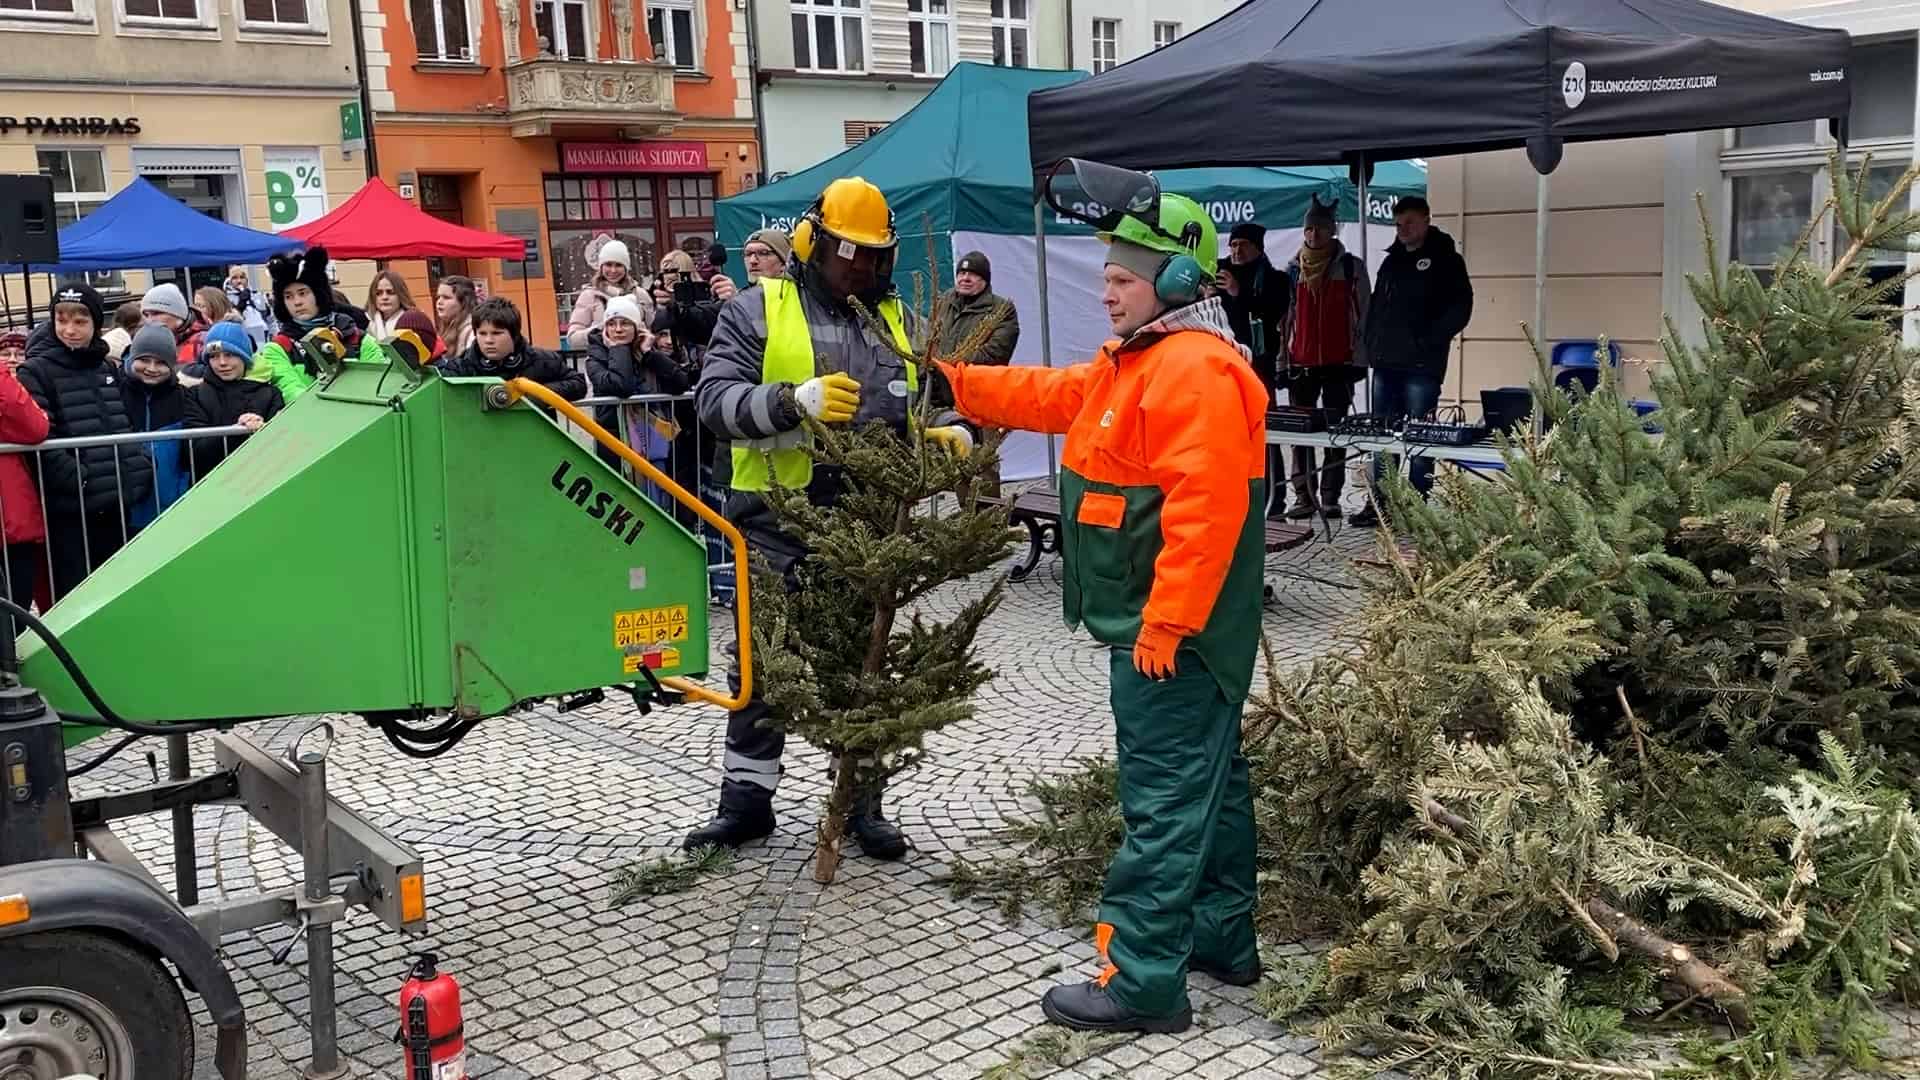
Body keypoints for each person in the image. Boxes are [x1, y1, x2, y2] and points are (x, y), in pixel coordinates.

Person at [935, 187, 1266, 1035]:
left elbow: (1208, 507)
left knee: (1162, 798)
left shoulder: (1193, 369)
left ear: (1176, 277)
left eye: (1122, 278)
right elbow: (1052, 394)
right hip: (1173, 632)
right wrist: (957, 384)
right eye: (1108, 276)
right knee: (1214, 787)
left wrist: (1167, 622)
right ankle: (1222, 941)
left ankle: (1144, 983)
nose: (1106, 291)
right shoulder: (1140, 360)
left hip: (1173, 638)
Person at [684, 176, 971, 857]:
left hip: (865, 526)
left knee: (863, 667)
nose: (865, 268)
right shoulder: (758, 310)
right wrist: (792, 400)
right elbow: (714, 401)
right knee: (763, 668)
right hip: (774, 520)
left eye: (876, 256)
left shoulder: (894, 318)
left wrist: (944, 430)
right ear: (814, 244)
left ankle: (860, 804)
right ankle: (747, 804)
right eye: (851, 255)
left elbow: (917, 400)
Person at [19, 282, 153, 600]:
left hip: (119, 502)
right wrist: (79, 479)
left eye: (80, 321)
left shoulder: (105, 367)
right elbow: (41, 438)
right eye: (61, 319)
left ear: (95, 323)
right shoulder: (36, 370)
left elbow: (125, 423)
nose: (70, 329)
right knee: (78, 597)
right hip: (72, 512)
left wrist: (139, 466)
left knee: (121, 594)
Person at [1354, 195, 1474, 528]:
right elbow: (1377, 306)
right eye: (1398, 224)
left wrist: (1428, 341)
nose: (1402, 229)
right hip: (1386, 364)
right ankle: (1380, 503)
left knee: (1421, 438)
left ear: (1426, 220)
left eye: (1409, 222)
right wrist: (1371, 343)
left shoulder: (1446, 259)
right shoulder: (1391, 260)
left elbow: (1460, 308)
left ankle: (1416, 506)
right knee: (1382, 438)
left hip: (1421, 365)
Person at [1280, 196, 1369, 520]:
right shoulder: (1292, 269)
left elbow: (1363, 315)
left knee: (1336, 433)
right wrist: (1282, 361)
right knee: (1299, 435)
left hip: (1339, 362)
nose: (1314, 235)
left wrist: (1359, 358)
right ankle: (1304, 495)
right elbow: (1284, 320)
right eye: (1309, 229)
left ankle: (1330, 496)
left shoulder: (1350, 266)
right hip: (1301, 362)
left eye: (1320, 228)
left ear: (1332, 231)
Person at [1217, 221, 1291, 519]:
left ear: (1258, 248)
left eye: (1243, 245)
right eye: (1233, 245)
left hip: (1258, 366)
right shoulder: (1218, 272)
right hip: (1223, 364)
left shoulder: (1274, 279)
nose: (1236, 251)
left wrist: (1238, 294)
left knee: (1264, 433)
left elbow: (1271, 312)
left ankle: (1274, 499)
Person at [587, 295, 689, 500]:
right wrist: (618, 349)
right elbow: (621, 386)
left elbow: (681, 383)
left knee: (662, 499)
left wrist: (650, 355)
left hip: (657, 440)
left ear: (637, 326)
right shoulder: (595, 357)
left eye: (625, 323)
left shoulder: (647, 353)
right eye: (611, 324)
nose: (618, 329)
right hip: (615, 440)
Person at [256, 246, 384, 404]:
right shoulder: (279, 348)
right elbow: (291, 392)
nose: (297, 302)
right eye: (288, 296)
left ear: (318, 293)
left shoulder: (358, 338)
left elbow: (378, 385)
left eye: (303, 293)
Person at [183, 321, 284, 482]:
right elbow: (195, 451)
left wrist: (262, 429)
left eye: (229, 355)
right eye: (214, 356)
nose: (222, 362)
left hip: (262, 481)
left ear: (245, 357)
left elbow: (280, 444)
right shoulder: (195, 395)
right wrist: (237, 430)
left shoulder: (271, 394)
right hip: (211, 484)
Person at [441, 297, 588, 402]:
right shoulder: (460, 367)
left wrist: (537, 393)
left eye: (497, 333)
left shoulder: (543, 360)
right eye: (482, 333)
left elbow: (578, 384)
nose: (488, 340)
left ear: (514, 334)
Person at [120, 323, 192, 530]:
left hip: (170, 505)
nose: (151, 368)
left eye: (161, 363)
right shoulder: (115, 393)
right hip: (126, 508)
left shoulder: (183, 398)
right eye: (144, 360)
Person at [0, 347, 47, 614]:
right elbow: (35, 427)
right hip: (11, 519)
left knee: (16, 611)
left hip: (12, 519)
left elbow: (34, 428)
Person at [934, 251, 1020, 365]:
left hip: (974, 381)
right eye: (962, 273)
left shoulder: (1002, 310)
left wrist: (951, 363)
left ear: (985, 280)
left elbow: (995, 354)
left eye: (973, 274)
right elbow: (928, 341)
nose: (966, 278)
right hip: (937, 380)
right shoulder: (943, 302)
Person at [567, 239, 652, 350]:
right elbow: (572, 339)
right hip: (603, 361)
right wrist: (601, 329)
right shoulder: (589, 296)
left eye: (618, 265)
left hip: (638, 359)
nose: (613, 270)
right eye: (608, 264)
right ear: (601, 267)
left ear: (626, 268)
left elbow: (654, 329)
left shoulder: (640, 294)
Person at [142, 282, 211, 370]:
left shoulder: (204, 340)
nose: (150, 320)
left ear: (178, 314)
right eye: (146, 315)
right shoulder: (151, 341)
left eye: (156, 313)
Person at [225, 266, 274, 344]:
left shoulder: (258, 295)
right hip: (242, 339)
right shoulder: (226, 299)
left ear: (246, 280)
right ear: (230, 281)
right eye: (235, 278)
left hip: (263, 338)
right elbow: (227, 324)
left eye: (242, 277)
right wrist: (239, 307)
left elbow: (271, 319)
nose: (239, 281)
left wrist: (275, 336)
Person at [364, 270, 418, 340]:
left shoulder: (413, 320)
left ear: (401, 294)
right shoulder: (365, 322)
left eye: (390, 292)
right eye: (378, 293)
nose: (384, 297)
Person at [434, 275, 478, 360]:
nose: (439, 302)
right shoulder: (447, 326)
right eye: (438, 297)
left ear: (463, 302)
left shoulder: (472, 332)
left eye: (446, 297)